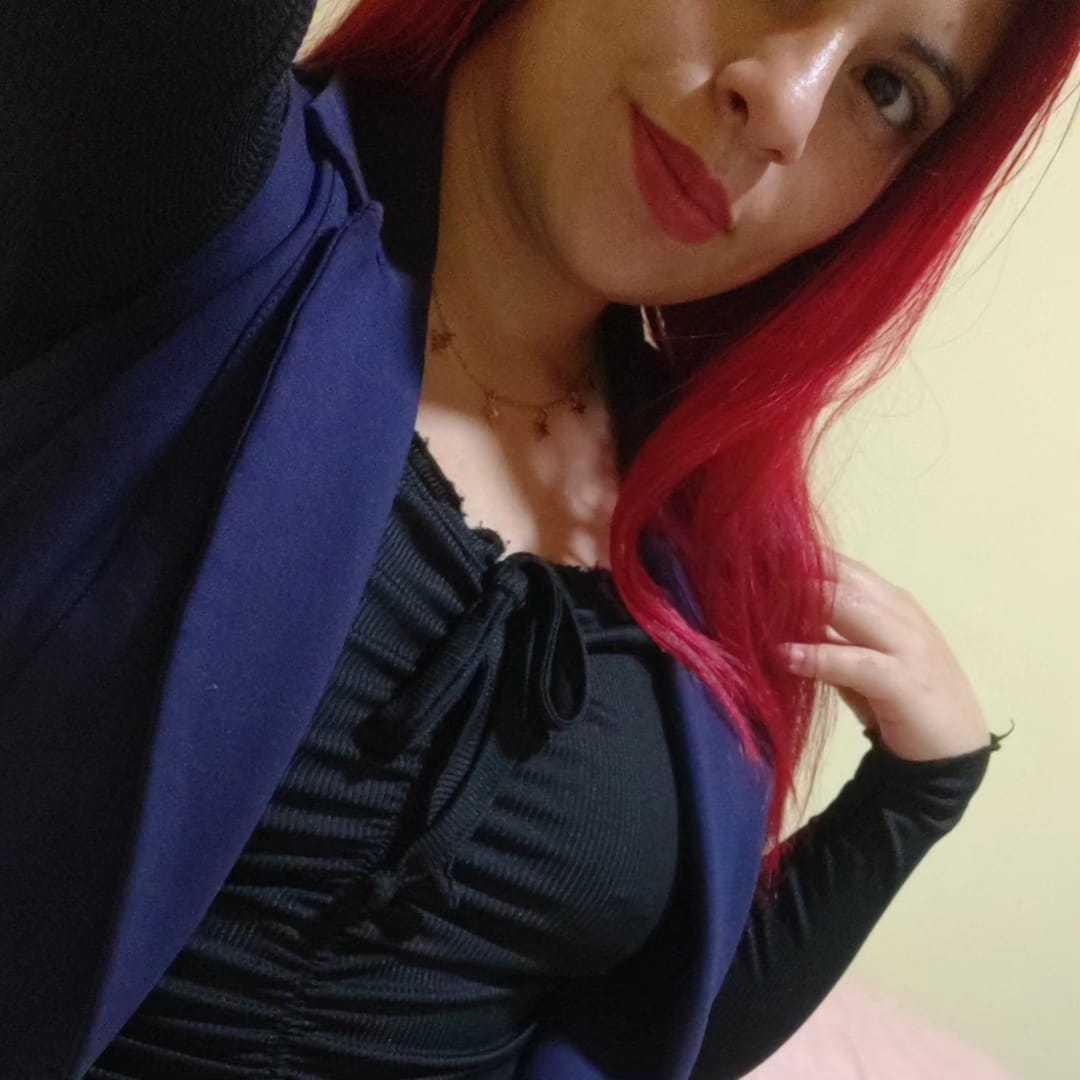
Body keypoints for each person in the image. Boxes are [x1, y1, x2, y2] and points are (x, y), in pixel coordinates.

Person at [0, 1, 1072, 1077]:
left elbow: (643, 1039)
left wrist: (913, 798)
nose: (785, 107)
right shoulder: (184, 192)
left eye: (887, 92)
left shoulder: (689, 543)